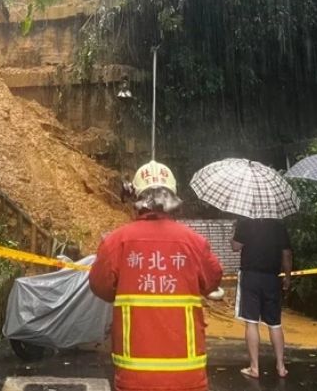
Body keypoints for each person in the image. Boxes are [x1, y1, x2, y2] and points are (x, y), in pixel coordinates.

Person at [89, 160, 223, 391]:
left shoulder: (116, 242)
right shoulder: (194, 242)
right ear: (172, 198)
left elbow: (100, 286)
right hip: (187, 376)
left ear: (137, 199)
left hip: (135, 376)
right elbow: (212, 280)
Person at [231, 217, 292, 379]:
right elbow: (286, 253)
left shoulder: (245, 221)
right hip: (272, 278)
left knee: (251, 322)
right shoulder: (279, 224)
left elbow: (235, 247)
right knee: (275, 323)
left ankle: (254, 368)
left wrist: (234, 233)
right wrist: (287, 277)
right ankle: (281, 366)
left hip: (250, 277)